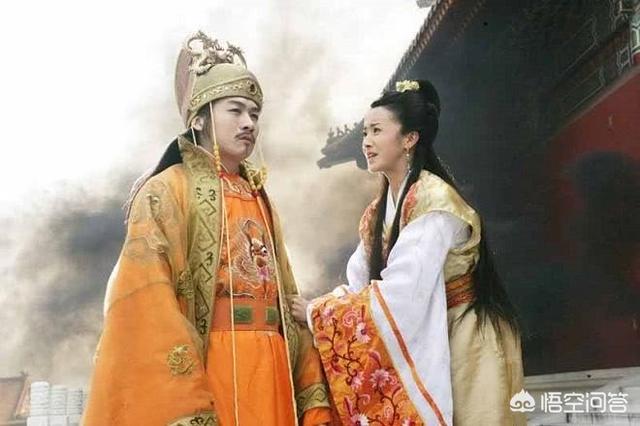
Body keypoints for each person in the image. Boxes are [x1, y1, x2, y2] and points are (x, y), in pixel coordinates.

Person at [83, 31, 331, 426]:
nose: (249, 123)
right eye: (236, 111)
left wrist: (307, 380)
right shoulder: (167, 190)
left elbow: (285, 292)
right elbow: (146, 297)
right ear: (199, 117)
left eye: (255, 114)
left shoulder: (259, 195)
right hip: (216, 367)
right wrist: (186, 397)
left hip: (274, 366)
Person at [291, 79, 525, 425]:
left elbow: (403, 294)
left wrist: (317, 313)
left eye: (376, 131)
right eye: (364, 133)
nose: (365, 142)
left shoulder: (435, 202)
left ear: (409, 139)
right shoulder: (377, 212)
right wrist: (320, 308)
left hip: (463, 338)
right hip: (424, 332)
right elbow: (359, 282)